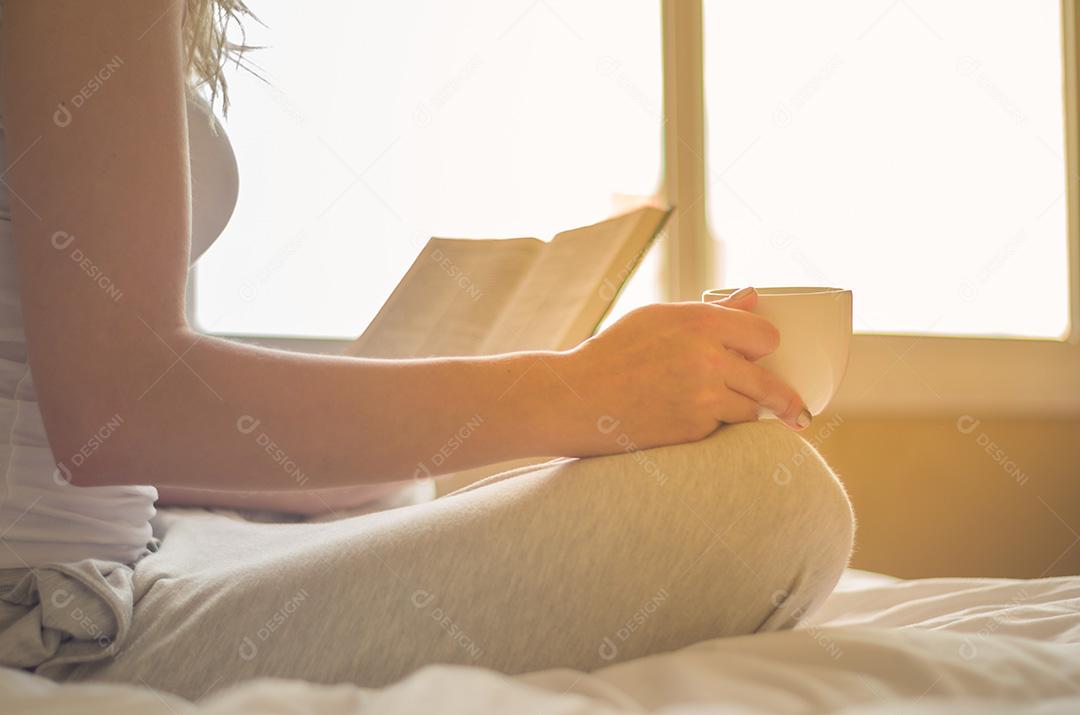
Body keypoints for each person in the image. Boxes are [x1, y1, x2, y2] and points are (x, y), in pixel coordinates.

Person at [0, 0, 854, 700]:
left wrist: (329, 474)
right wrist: (579, 387)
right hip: (51, 615)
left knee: (400, 494)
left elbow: (80, 412)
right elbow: (120, 403)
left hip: (126, 542)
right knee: (769, 498)